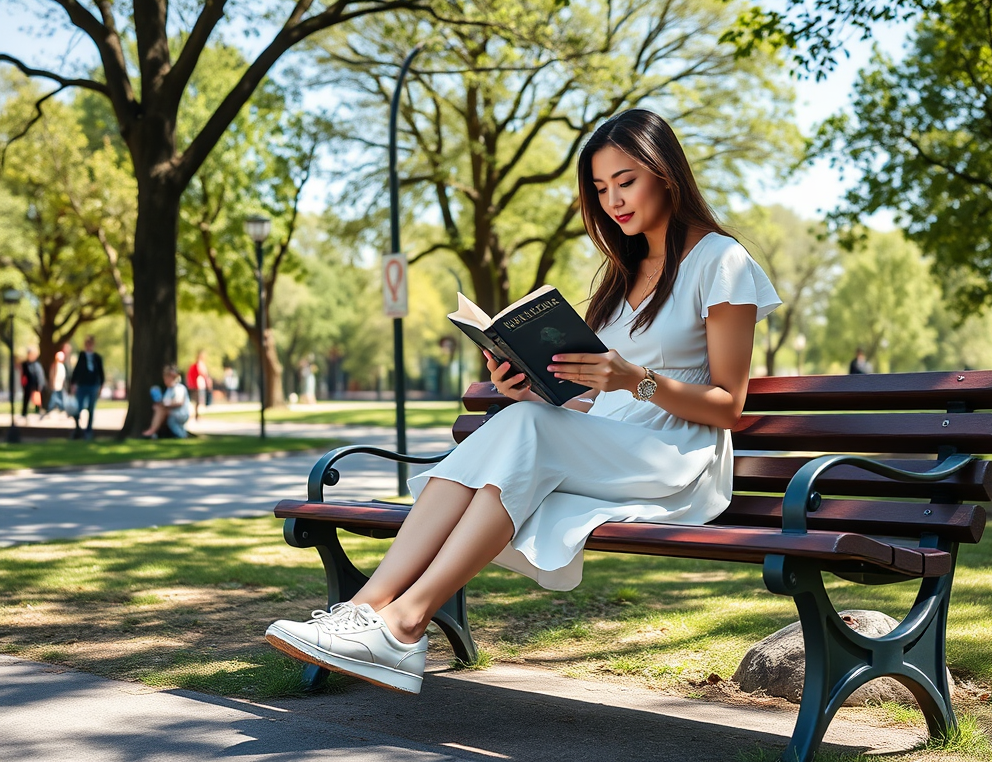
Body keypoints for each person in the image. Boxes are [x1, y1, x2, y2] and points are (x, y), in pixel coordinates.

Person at [264, 109, 782, 694]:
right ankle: (366, 613)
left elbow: (728, 405)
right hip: (615, 445)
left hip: (677, 455)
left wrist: (634, 378)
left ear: (666, 174)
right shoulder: (623, 272)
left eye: (626, 180)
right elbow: (590, 399)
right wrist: (531, 386)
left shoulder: (721, 261)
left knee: (528, 428)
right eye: (600, 187)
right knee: (523, 417)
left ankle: (404, 625)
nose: (613, 200)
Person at [69, 335, 105, 440]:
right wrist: (73, 383)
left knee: (91, 408)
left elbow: (101, 373)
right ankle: (78, 429)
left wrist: (101, 386)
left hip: (93, 385)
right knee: (78, 408)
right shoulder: (82, 356)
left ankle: (88, 430)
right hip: (82, 385)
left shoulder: (97, 358)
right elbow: (77, 370)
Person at [142, 365, 192, 439]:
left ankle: (152, 431)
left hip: (181, 413)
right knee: (163, 414)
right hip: (173, 414)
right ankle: (154, 431)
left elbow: (179, 402)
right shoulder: (169, 390)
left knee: (163, 413)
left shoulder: (179, 388)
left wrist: (164, 405)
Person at [20, 346, 47, 419]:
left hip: (36, 384)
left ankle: (38, 412)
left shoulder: (37, 364)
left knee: (37, 399)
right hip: (28, 384)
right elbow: (24, 375)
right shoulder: (25, 364)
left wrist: (40, 384)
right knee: (26, 398)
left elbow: (40, 375)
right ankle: (24, 412)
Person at [186, 350, 212, 419]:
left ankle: (196, 414)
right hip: (198, 385)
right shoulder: (198, 365)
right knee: (197, 400)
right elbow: (203, 374)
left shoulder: (195, 365)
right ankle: (196, 415)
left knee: (197, 401)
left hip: (196, 385)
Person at [43, 349, 67, 417]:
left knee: (58, 397)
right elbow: (53, 375)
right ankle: (51, 408)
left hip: (59, 384)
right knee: (55, 397)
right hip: (56, 384)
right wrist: (53, 382)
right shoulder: (55, 366)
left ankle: (60, 408)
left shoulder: (60, 365)